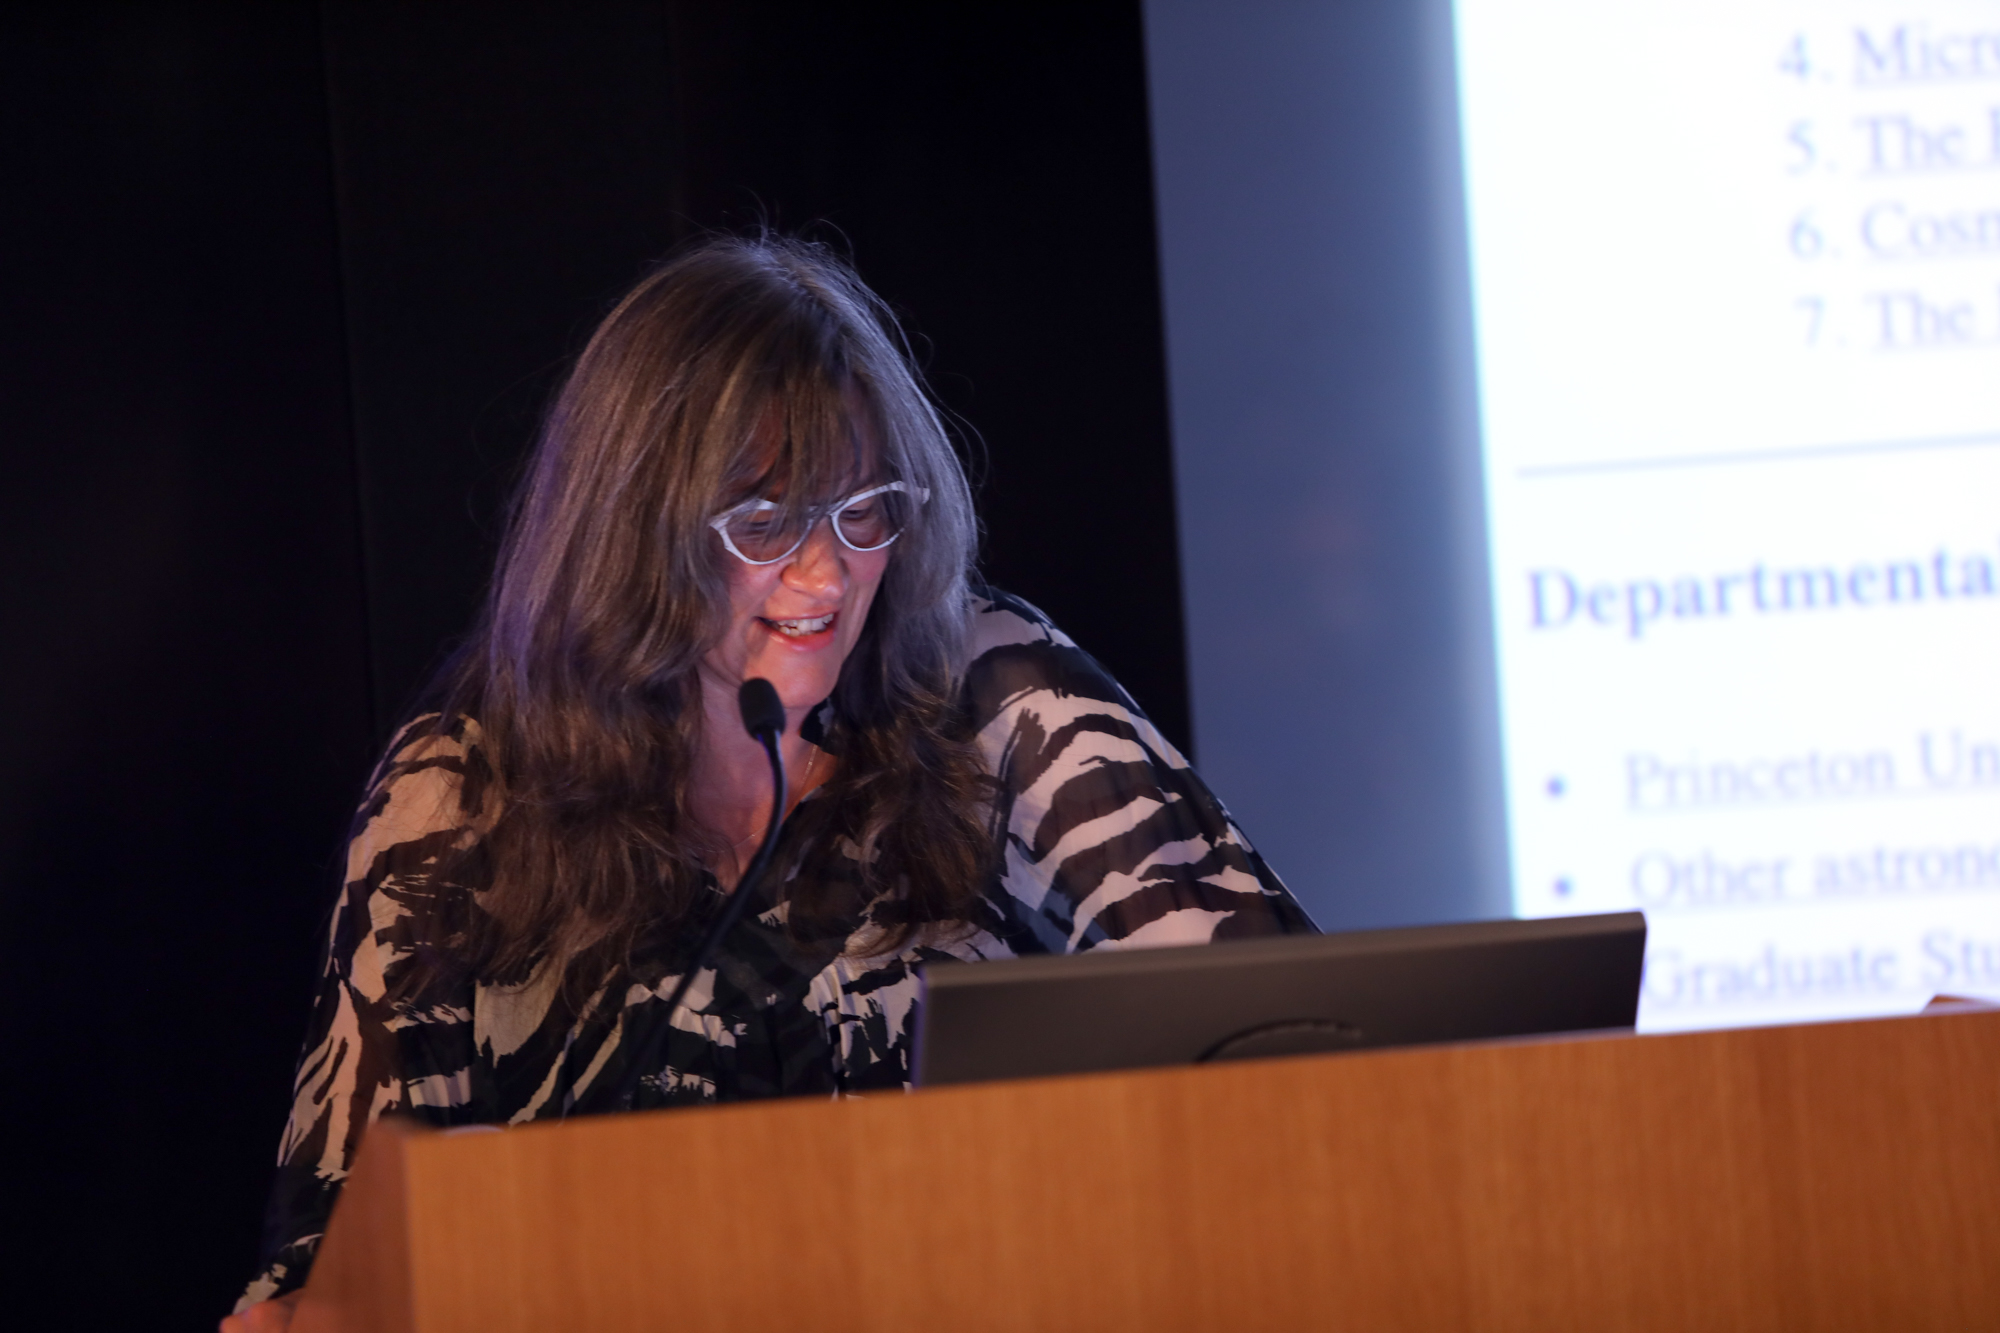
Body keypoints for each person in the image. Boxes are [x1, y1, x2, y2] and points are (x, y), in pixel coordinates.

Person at [223, 236, 1314, 1331]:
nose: (827, 572)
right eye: (764, 520)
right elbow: (338, 1260)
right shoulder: (460, 808)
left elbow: (1294, 1050)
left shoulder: (995, 705)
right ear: (634, 536)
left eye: (864, 510)